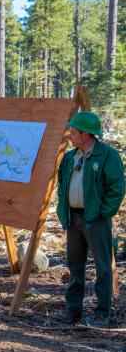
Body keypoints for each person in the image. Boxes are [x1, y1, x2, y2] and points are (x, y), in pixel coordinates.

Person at [55, 111, 125, 328]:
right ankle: (73, 311)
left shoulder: (107, 155)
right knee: (75, 266)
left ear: (86, 134)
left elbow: (117, 188)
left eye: (73, 131)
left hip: (96, 220)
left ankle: (102, 314)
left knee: (103, 268)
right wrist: (63, 209)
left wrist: (102, 212)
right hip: (73, 219)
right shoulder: (69, 157)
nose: (70, 135)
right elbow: (62, 185)